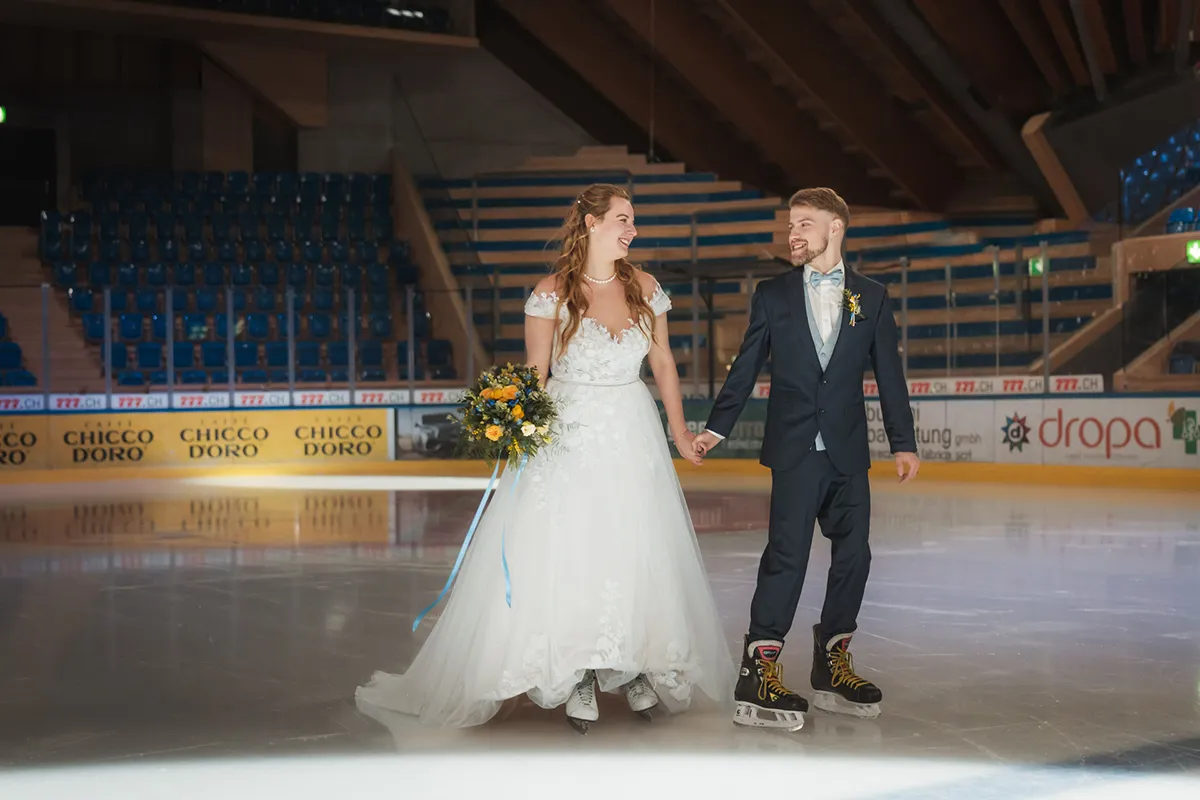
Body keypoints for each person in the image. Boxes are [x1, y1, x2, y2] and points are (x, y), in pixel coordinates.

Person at [356, 183, 735, 734]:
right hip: (567, 430)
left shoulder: (647, 288)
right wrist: (515, 432)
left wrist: (679, 431)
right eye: (623, 220)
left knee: (632, 544)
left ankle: (629, 661)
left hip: (631, 428)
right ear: (591, 223)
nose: (633, 230)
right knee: (570, 546)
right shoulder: (551, 293)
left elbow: (665, 365)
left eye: (634, 221)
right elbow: (536, 372)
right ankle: (575, 667)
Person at [690, 187, 919, 730]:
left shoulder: (873, 295)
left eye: (805, 224)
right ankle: (758, 668)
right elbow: (745, 366)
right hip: (795, 452)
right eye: (791, 225)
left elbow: (889, 374)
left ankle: (832, 662)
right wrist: (716, 428)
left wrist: (903, 441)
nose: (794, 234)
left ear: (835, 228)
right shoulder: (773, 295)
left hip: (847, 452)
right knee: (786, 557)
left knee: (854, 557)